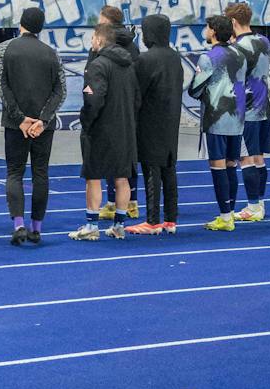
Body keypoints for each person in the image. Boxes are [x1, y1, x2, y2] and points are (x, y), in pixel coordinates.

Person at [0, 7, 65, 247]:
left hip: (16, 125)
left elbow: (2, 86)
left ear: (21, 23)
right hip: (42, 127)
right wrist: (43, 119)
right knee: (40, 173)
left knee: (14, 172)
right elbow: (60, 90)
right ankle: (37, 228)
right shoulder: (51, 53)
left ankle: (18, 225)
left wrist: (19, 118)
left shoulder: (6, 50)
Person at [71, 22, 141, 241]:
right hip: (126, 129)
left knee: (93, 177)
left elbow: (93, 99)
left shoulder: (98, 65)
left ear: (100, 40)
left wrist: (87, 121)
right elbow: (137, 98)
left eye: (92, 37)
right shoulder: (128, 64)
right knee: (122, 177)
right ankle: (119, 225)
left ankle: (91, 226)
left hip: (101, 129)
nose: (91, 41)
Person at [188, 15, 247, 232]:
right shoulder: (241, 54)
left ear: (213, 31)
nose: (205, 30)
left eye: (206, 27)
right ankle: (229, 212)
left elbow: (194, 89)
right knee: (232, 164)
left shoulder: (208, 58)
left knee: (218, 165)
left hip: (216, 117)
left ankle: (224, 216)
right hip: (237, 116)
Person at [129, 13, 184, 234]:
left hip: (150, 121)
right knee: (169, 168)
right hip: (171, 119)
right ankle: (171, 219)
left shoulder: (146, 59)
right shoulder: (174, 57)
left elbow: (137, 93)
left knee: (151, 169)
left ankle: (152, 220)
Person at [226, 2, 270, 222]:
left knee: (245, 158)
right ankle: (259, 202)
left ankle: (253, 205)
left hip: (247, 107)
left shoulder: (239, 48)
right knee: (259, 156)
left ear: (233, 22)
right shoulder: (264, 41)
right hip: (263, 104)